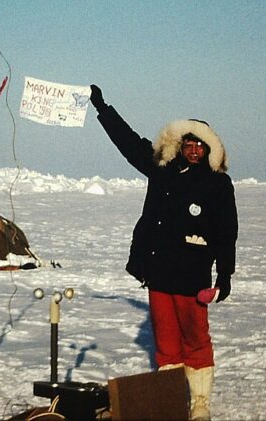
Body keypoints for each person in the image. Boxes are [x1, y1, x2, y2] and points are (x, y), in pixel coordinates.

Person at [88, 85, 238, 420]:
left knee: (196, 340)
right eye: (189, 144)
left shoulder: (217, 183)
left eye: (200, 145)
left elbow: (227, 232)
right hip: (158, 272)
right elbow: (128, 142)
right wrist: (102, 108)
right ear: (180, 145)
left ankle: (200, 402)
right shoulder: (162, 167)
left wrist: (224, 275)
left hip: (192, 275)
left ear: (209, 149)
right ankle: (173, 400)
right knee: (167, 343)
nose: (194, 151)